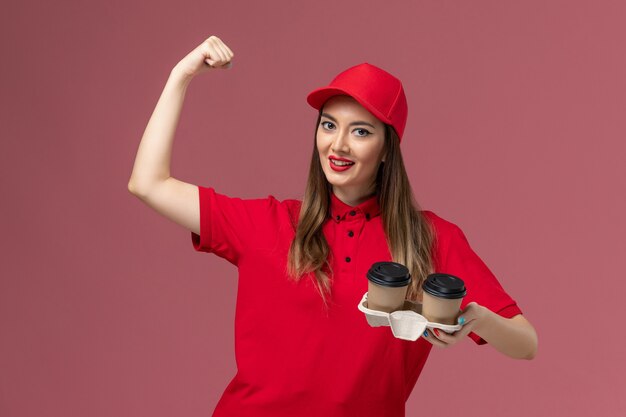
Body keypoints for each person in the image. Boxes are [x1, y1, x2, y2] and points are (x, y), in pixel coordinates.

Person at [128, 35, 538, 417]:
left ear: (386, 150)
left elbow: (525, 343)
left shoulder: (430, 239)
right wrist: (179, 76)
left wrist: (475, 321)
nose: (338, 145)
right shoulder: (268, 223)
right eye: (328, 125)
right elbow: (148, 183)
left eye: (360, 131)